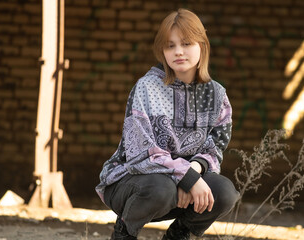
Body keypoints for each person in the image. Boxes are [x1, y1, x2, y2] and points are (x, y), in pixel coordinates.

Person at [96, 8, 240, 240]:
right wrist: (186, 178)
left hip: (179, 184)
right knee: (161, 189)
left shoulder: (217, 94)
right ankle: (124, 233)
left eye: (186, 43)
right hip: (133, 183)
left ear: (202, 46)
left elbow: (214, 148)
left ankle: (177, 235)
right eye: (170, 45)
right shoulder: (146, 87)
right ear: (162, 51)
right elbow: (142, 153)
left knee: (224, 192)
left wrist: (192, 174)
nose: (178, 52)